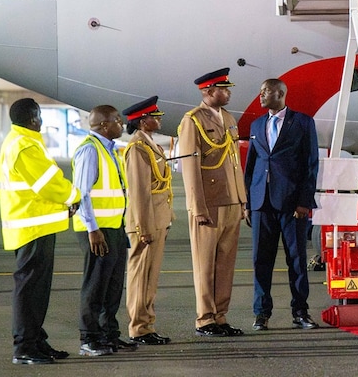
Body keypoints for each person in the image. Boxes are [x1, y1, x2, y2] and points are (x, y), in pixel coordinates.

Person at [0, 98, 81, 365]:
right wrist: (73, 195)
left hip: (37, 224)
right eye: (40, 115)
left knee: (37, 289)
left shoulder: (23, 141)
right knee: (30, 289)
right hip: (32, 226)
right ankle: (24, 347)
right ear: (33, 118)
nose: (42, 120)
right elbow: (49, 183)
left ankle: (35, 340)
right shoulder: (24, 145)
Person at [245, 78, 320, 331]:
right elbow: (251, 167)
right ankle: (261, 313)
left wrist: (304, 201)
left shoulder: (302, 123)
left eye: (265, 91)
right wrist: (247, 202)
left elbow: (311, 165)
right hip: (261, 203)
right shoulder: (257, 124)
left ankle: (300, 311)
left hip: (291, 204)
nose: (261, 95)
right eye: (261, 91)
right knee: (260, 260)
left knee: (297, 259)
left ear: (280, 93)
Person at [178, 68, 248, 337]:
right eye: (223, 89)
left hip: (230, 202)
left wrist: (241, 200)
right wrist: (197, 207)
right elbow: (190, 166)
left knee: (225, 265)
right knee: (205, 265)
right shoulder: (192, 121)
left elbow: (234, 164)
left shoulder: (228, 117)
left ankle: (220, 316)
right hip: (209, 204)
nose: (228, 93)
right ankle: (204, 318)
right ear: (208, 92)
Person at [72, 105, 134, 357]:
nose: (122, 124)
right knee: (96, 284)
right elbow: (82, 193)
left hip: (114, 226)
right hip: (97, 229)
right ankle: (89, 338)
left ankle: (109, 334)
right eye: (117, 121)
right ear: (105, 125)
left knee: (113, 285)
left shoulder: (110, 150)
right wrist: (92, 229)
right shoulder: (90, 150)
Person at [122, 96, 174, 345]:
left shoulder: (151, 145)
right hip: (146, 223)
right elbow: (139, 191)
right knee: (141, 276)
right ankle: (139, 328)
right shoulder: (137, 149)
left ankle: (147, 325)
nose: (159, 118)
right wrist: (144, 227)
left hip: (157, 219)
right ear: (143, 122)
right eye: (155, 116)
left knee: (150, 278)